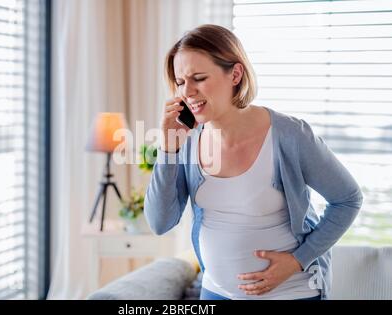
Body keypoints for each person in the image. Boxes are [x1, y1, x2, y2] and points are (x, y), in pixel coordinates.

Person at [144, 24, 363, 300]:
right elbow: (159, 222)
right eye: (179, 82)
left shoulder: (289, 135)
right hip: (214, 292)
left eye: (198, 78)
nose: (186, 91)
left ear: (235, 74)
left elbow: (348, 199)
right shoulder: (186, 140)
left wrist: (298, 260)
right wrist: (168, 149)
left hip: (291, 292)